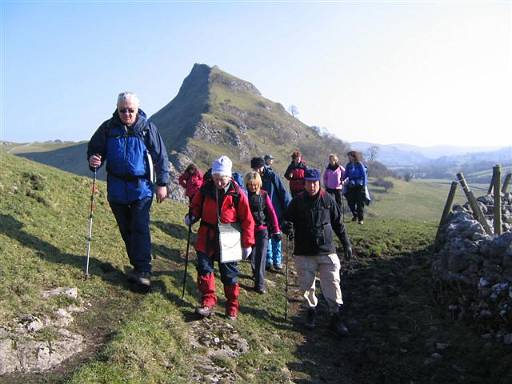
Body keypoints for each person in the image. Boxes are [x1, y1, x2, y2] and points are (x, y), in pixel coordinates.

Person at [87, 92, 169, 290]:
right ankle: (137, 265)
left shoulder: (147, 128)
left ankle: (143, 271)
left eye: (130, 110)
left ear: (137, 109)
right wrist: (93, 160)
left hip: (141, 187)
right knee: (126, 229)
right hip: (116, 188)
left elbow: (161, 156)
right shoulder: (108, 127)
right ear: (117, 109)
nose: (126, 114)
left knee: (140, 226)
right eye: (123, 110)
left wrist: (162, 183)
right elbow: (95, 149)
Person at [283, 168, 352, 336]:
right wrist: (287, 227)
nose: (312, 185)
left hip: (327, 251)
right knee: (307, 285)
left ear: (318, 183)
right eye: (308, 182)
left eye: (314, 182)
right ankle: (310, 313)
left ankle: (335, 317)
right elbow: (285, 219)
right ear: (304, 183)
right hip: (304, 252)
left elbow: (338, 224)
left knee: (333, 283)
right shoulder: (297, 201)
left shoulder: (328, 200)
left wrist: (346, 244)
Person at [186, 155, 255, 320]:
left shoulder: (238, 194)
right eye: (216, 178)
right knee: (204, 268)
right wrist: (192, 216)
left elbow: (247, 220)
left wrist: (247, 244)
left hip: (229, 234)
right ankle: (208, 302)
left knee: (229, 273)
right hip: (206, 234)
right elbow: (195, 205)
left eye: (222, 178)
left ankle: (232, 305)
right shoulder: (205, 189)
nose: (218, 182)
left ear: (229, 177)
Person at [251, 157, 291, 271]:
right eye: (254, 168)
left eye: (258, 168)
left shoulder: (272, 176)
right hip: (262, 212)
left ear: (262, 167)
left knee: (276, 235)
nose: (256, 170)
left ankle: (277, 261)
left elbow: (283, 193)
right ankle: (268, 260)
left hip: (276, 210)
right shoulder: (254, 178)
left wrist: (288, 212)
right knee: (266, 236)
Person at [244, 171, 281, 294]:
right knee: (252, 256)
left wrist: (276, 230)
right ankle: (256, 274)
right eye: (250, 185)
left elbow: (271, 212)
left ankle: (259, 284)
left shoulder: (264, 195)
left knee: (261, 256)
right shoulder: (244, 196)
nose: (253, 187)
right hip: (249, 230)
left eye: (254, 184)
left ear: (259, 183)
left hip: (263, 230)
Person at [343, 151, 368, 224]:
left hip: (360, 186)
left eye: (350, 156)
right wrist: (342, 179)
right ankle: (355, 215)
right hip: (351, 186)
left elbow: (364, 175)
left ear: (354, 156)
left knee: (360, 203)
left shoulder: (359, 164)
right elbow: (346, 174)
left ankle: (361, 219)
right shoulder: (348, 165)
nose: (349, 157)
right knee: (350, 202)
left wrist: (364, 185)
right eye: (348, 156)